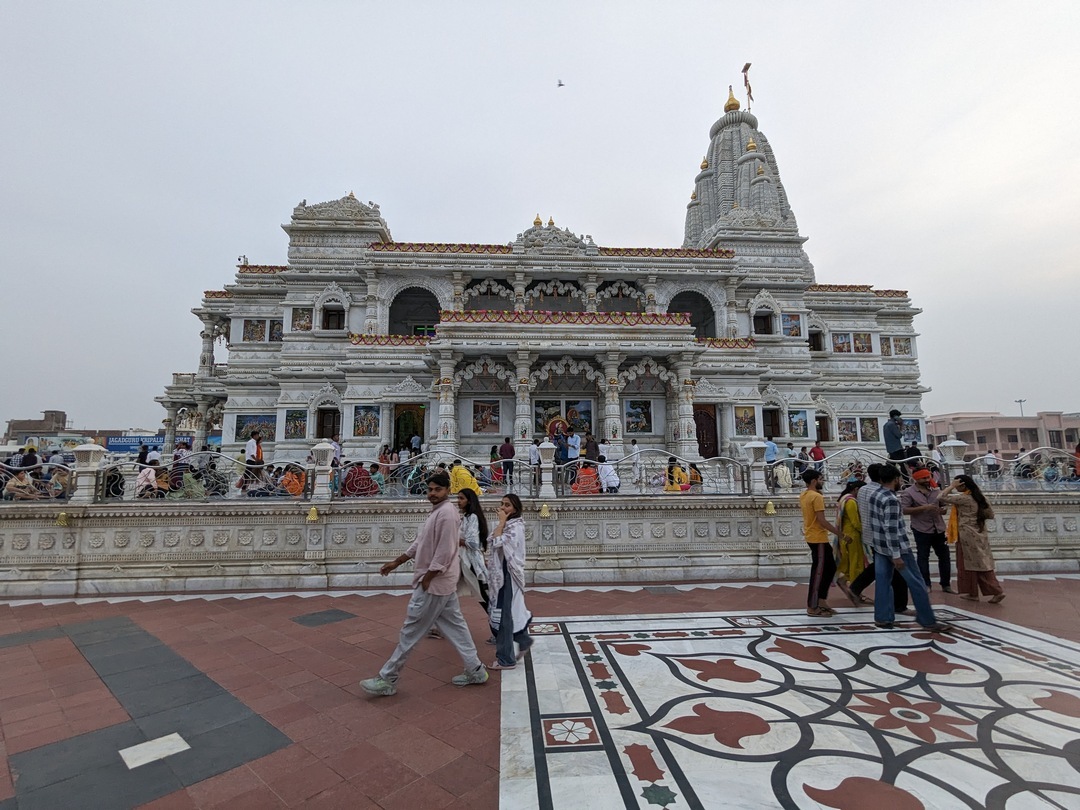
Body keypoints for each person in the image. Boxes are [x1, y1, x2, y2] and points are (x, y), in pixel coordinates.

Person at [360, 472, 488, 696]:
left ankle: (387, 678)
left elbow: (446, 551)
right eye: (429, 490)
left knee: (411, 629)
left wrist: (428, 578)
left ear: (448, 490)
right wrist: (397, 562)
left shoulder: (447, 514)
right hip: (440, 583)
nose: (432, 494)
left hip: (435, 582)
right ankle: (475, 669)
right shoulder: (437, 512)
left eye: (437, 490)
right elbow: (421, 541)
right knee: (456, 627)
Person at [866, 465, 948, 631]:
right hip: (898, 549)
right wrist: (896, 555)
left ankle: (883, 617)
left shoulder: (874, 494)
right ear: (896, 479)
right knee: (917, 583)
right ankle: (927, 620)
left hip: (880, 547)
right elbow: (891, 528)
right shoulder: (891, 499)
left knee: (882, 582)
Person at [846, 463, 907, 612]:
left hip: (869, 534)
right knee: (895, 572)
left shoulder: (863, 490)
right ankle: (898, 605)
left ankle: (856, 587)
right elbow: (889, 523)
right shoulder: (884, 494)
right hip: (883, 537)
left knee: (880, 568)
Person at [939, 475, 1004, 603]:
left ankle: (994, 591)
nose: (956, 488)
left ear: (963, 485)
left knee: (968, 565)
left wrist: (951, 486)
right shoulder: (980, 497)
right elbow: (990, 514)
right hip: (980, 533)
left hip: (966, 535)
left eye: (958, 486)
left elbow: (941, 497)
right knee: (980, 563)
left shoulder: (964, 498)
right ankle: (974, 593)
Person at [487, 493, 533, 670]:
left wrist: (500, 523)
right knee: (504, 614)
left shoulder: (515, 527)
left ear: (515, 508)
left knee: (503, 616)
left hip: (509, 575)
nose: (503, 508)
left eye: (507, 505)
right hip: (502, 573)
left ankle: (506, 659)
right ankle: (522, 640)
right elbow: (491, 539)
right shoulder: (509, 525)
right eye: (502, 504)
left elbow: (497, 542)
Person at [900, 468, 953, 593]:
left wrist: (943, 510)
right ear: (916, 479)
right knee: (923, 556)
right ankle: (926, 584)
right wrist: (923, 508)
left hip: (938, 528)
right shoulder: (909, 492)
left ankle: (946, 584)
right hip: (921, 529)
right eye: (924, 478)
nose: (927, 480)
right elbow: (904, 509)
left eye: (928, 477)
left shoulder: (936, 490)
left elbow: (943, 506)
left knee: (945, 556)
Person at [799, 470, 840, 616]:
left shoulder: (804, 495)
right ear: (814, 481)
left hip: (813, 536)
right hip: (818, 538)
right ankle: (812, 606)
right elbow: (822, 521)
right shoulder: (816, 497)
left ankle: (821, 600)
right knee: (819, 573)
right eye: (821, 479)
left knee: (830, 567)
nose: (822, 481)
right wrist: (840, 534)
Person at [456, 488, 490, 615]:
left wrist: (457, 541)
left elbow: (473, 543)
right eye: (458, 498)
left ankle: (497, 624)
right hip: (463, 559)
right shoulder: (466, 517)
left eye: (461, 498)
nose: (458, 501)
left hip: (470, 561)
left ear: (469, 501)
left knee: (482, 595)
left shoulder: (473, 517)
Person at [834, 480, 867, 586]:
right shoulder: (851, 502)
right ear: (856, 490)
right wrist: (865, 530)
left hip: (846, 534)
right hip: (853, 535)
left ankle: (846, 580)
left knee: (850, 561)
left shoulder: (844, 498)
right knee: (856, 562)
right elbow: (855, 522)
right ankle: (855, 586)